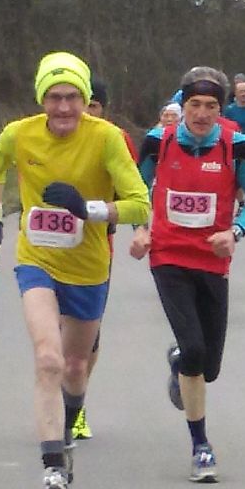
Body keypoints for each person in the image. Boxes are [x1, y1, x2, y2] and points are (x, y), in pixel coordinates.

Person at [0, 51, 150, 489]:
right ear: (41, 99)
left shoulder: (106, 137)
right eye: (54, 97)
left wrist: (86, 208)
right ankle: (53, 472)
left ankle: (70, 423)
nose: (64, 107)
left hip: (89, 268)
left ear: (86, 98)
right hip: (37, 260)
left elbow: (140, 204)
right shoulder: (20, 133)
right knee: (48, 359)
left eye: (73, 97)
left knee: (75, 367)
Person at [131, 66, 245, 483]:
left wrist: (234, 232)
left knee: (208, 368)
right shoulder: (159, 141)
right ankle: (201, 446)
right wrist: (140, 228)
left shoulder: (237, 147)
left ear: (221, 109)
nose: (202, 114)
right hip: (168, 256)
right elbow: (135, 190)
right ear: (182, 105)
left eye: (211, 106)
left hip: (212, 260)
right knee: (194, 349)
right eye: (194, 105)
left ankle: (180, 363)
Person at [71, 77, 140, 442]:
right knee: (53, 334)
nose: (84, 111)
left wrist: (136, 227)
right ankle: (59, 400)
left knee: (87, 336)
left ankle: (76, 403)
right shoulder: (47, 135)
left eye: (92, 105)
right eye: (80, 103)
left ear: (103, 109)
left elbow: (133, 193)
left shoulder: (115, 139)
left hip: (97, 248)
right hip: (48, 248)